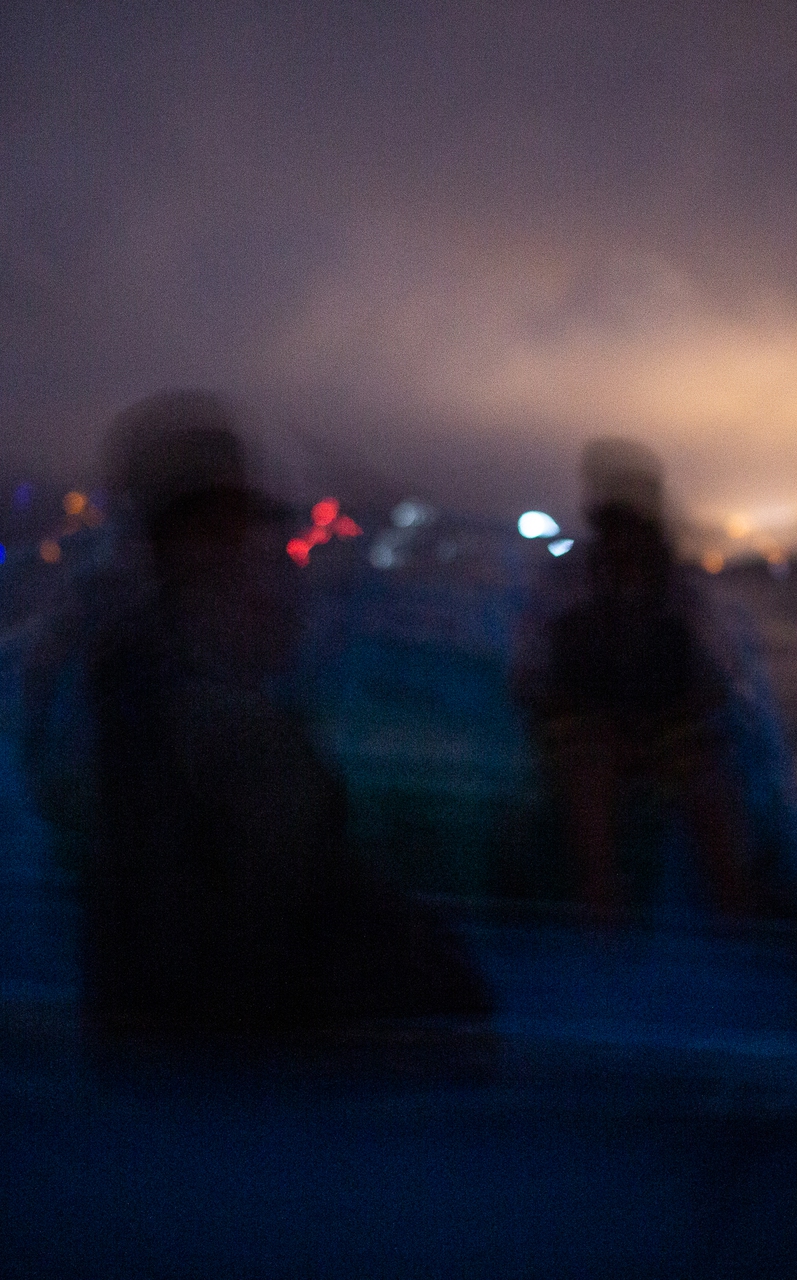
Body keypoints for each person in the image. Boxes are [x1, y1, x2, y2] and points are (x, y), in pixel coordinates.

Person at [80, 391, 492, 1040]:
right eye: (224, 530)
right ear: (174, 548)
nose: (253, 554)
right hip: (243, 1039)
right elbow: (264, 924)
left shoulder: (138, 674)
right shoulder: (218, 724)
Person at [513, 438, 753, 924]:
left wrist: (661, 722)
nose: (624, 539)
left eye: (633, 526)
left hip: (667, 731)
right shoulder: (564, 583)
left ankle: (739, 921)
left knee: (711, 794)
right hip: (584, 733)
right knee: (588, 780)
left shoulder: (683, 592)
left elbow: (720, 679)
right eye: (614, 525)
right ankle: (603, 922)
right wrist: (585, 719)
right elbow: (527, 676)